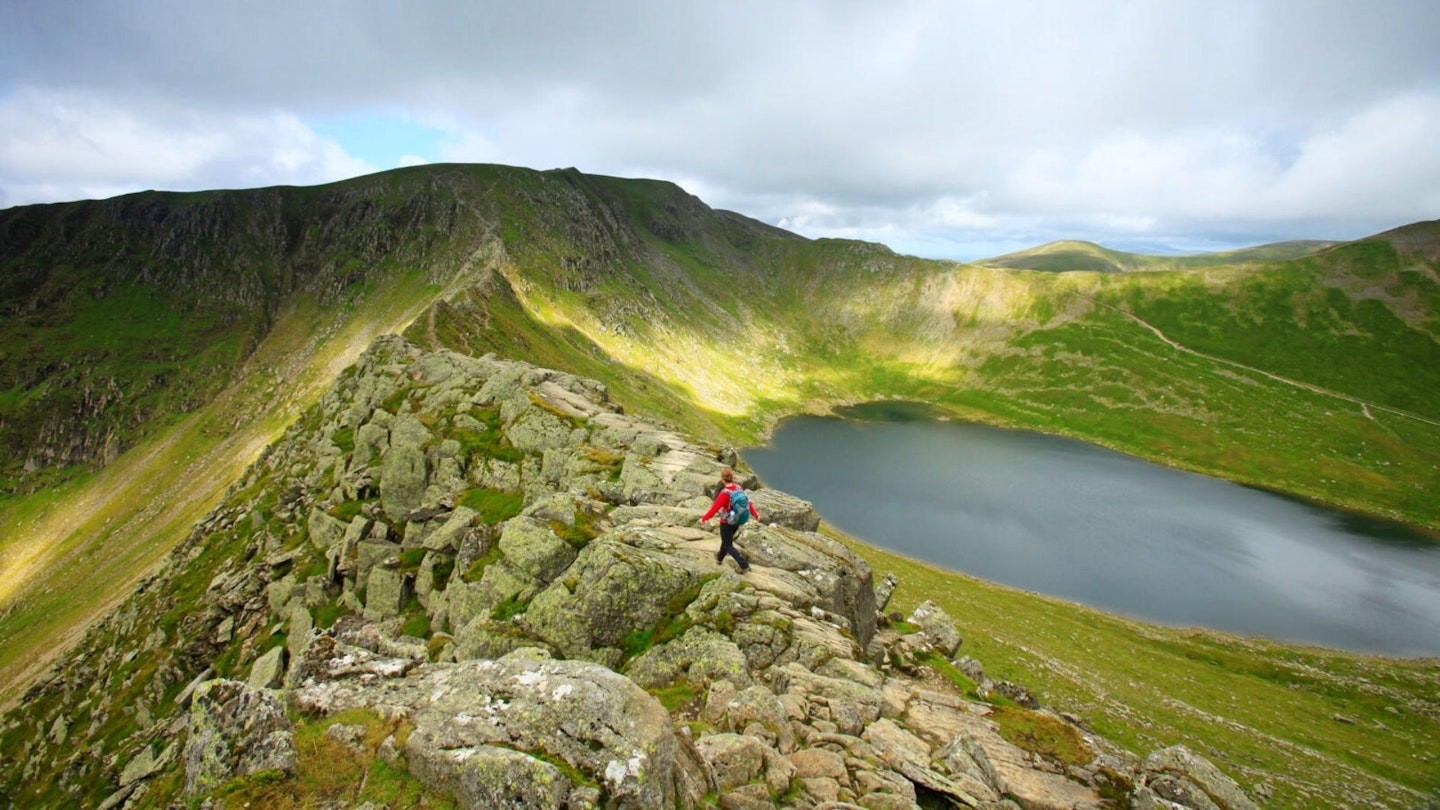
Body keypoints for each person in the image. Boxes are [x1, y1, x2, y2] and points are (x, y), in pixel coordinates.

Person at [700, 468, 760, 573]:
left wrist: (704, 519)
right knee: (727, 540)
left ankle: (744, 565)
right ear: (732, 478)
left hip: (726, 522)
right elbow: (748, 503)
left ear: (722, 479)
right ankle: (719, 558)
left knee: (728, 545)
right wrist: (755, 514)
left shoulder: (724, 494)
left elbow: (714, 509)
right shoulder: (738, 488)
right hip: (737, 520)